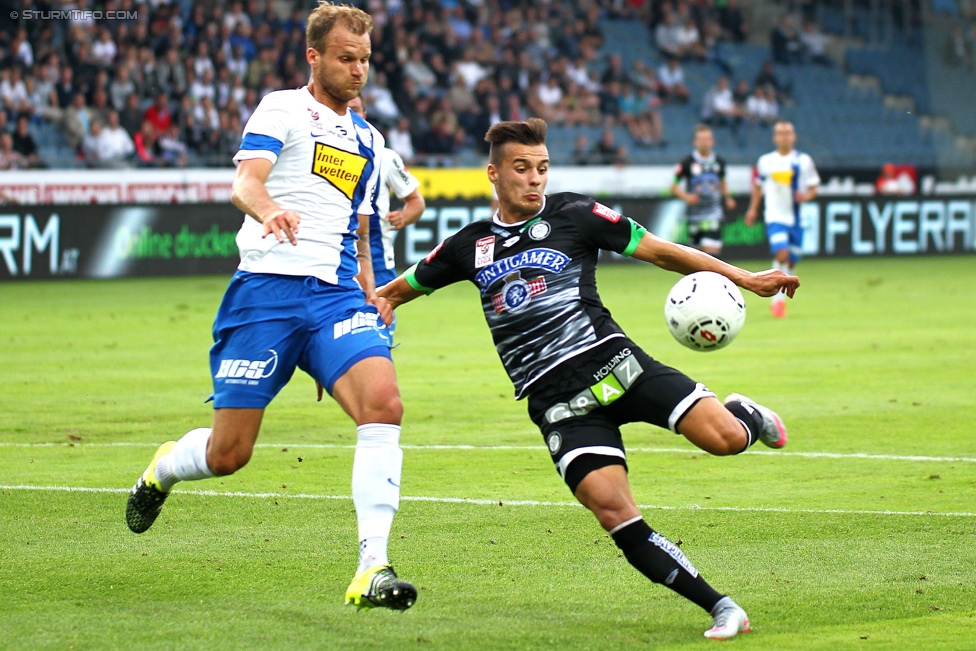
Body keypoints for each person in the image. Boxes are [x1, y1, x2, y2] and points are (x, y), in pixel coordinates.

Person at [378, 119, 799, 640]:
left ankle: (746, 416)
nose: (535, 179)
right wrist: (378, 303)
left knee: (727, 440)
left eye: (542, 169)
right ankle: (722, 607)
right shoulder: (470, 246)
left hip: (616, 366)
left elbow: (663, 251)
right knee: (614, 514)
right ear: (493, 173)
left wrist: (744, 277)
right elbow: (403, 286)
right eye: (522, 169)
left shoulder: (576, 214)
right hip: (558, 405)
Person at [124, 3, 417, 613]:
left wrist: (373, 294)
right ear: (314, 56)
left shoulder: (369, 138)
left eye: (365, 59)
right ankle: (163, 470)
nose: (358, 70)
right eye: (345, 58)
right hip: (265, 294)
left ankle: (373, 566)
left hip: (336, 297)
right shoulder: (282, 107)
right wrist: (269, 211)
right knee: (228, 455)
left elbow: (359, 230)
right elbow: (245, 182)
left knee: (383, 403)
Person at [348, 94, 427, 290]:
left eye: (355, 110)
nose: (350, 115)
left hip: (377, 261)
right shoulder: (319, 152)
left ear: (364, 115)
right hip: (333, 259)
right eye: (345, 109)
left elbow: (416, 201)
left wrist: (403, 216)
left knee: (378, 317)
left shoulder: (385, 157)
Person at [745, 120, 819, 318]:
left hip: (797, 219)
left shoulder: (804, 161)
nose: (784, 136)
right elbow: (757, 187)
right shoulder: (765, 161)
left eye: (788, 133)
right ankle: (777, 302)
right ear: (774, 138)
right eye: (780, 133)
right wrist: (752, 209)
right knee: (782, 255)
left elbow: (813, 188)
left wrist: (806, 196)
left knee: (792, 262)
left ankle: (780, 296)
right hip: (775, 217)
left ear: (794, 137)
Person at [670, 124, 735, 257]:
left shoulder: (719, 162)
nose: (705, 142)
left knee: (711, 253)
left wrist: (727, 197)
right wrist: (687, 197)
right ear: (695, 142)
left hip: (713, 212)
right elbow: (673, 187)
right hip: (694, 215)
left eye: (707, 139)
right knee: (697, 256)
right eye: (701, 139)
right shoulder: (687, 163)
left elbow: (722, 181)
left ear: (712, 141)